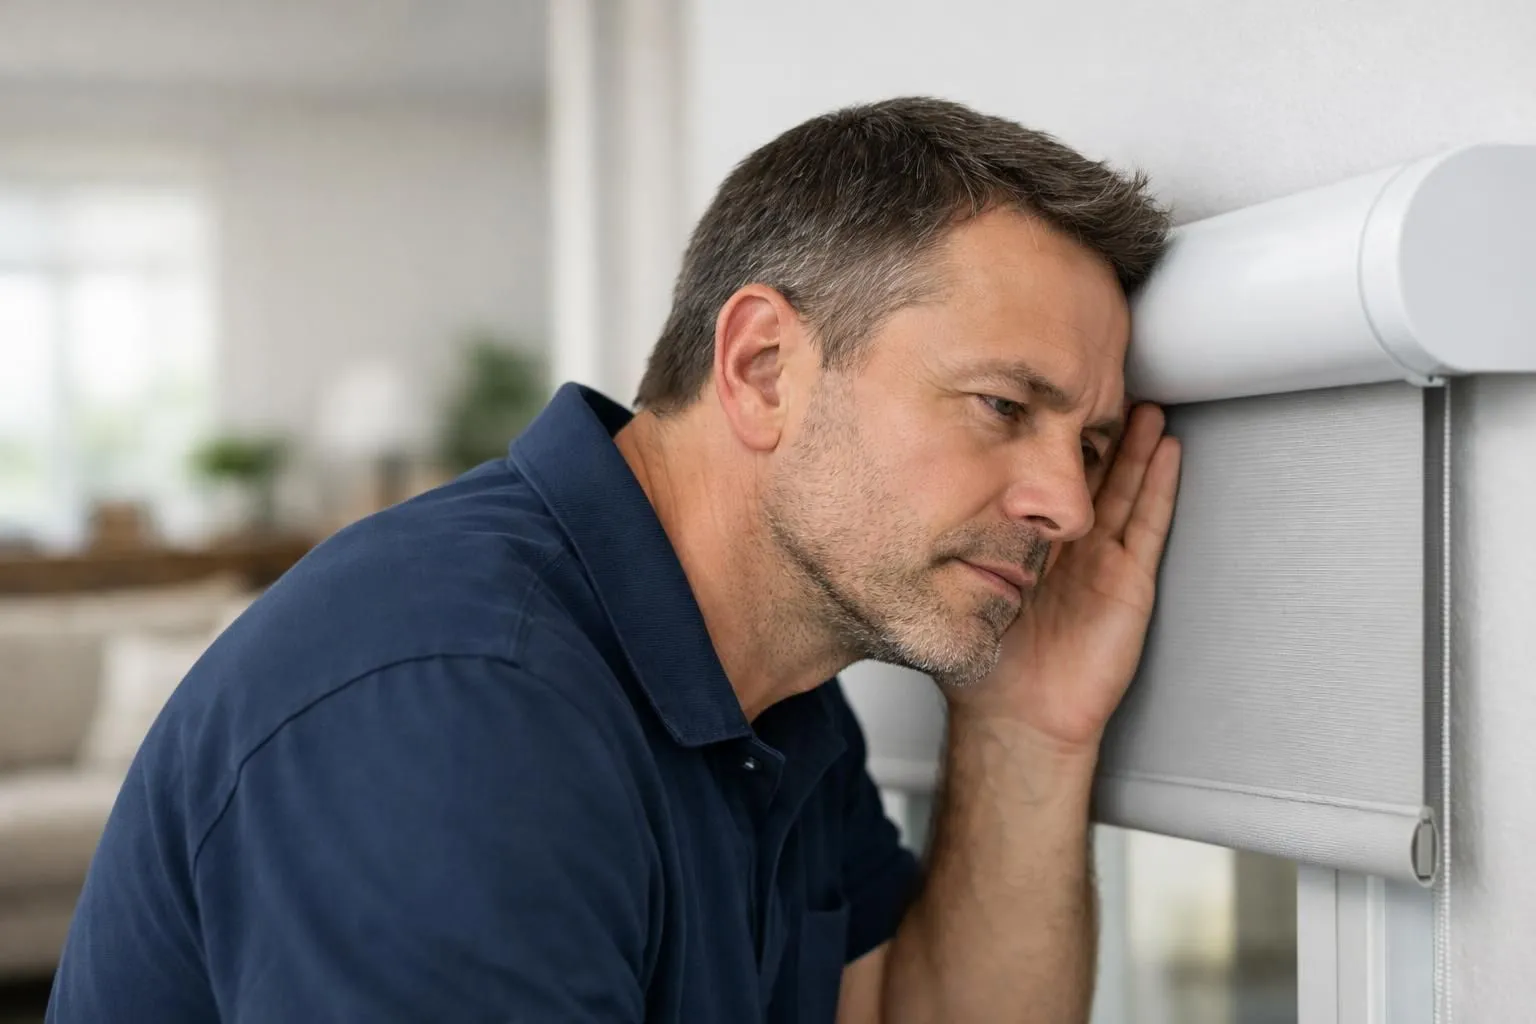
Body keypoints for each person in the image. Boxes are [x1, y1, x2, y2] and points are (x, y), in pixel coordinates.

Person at [49, 96, 1181, 1023]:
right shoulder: (461, 700)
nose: (1070, 507)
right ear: (763, 367)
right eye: (1000, 405)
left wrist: (1025, 730)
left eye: (1088, 445)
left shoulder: (775, 689)